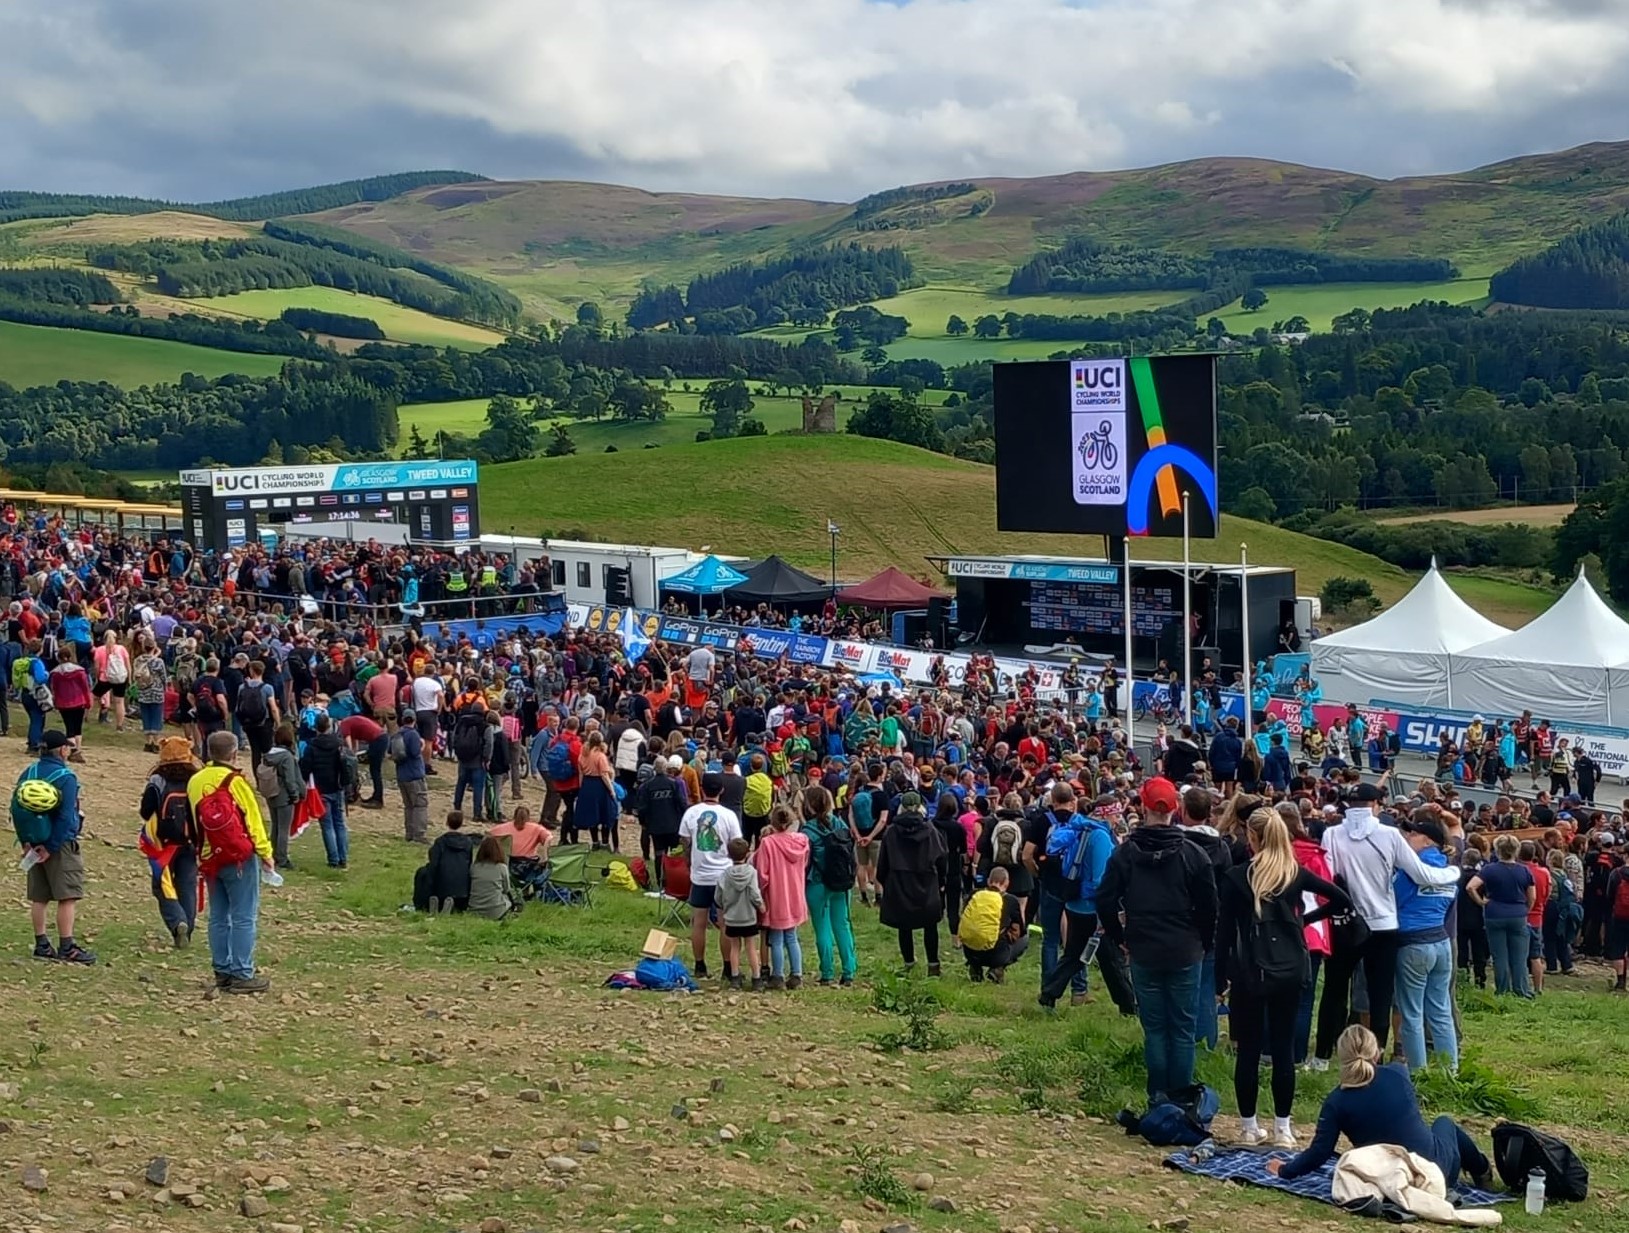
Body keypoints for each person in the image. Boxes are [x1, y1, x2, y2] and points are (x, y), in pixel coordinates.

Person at [1218, 808, 1348, 1148]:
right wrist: (1302, 920)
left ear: (1252, 837)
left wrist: (1219, 978)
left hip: (1249, 970)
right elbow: (1340, 899)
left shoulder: (1236, 877)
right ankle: (1283, 1129)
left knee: (1248, 1050)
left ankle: (1249, 1127)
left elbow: (1224, 933)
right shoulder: (1295, 874)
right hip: (1289, 967)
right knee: (1283, 1047)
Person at [1311, 782, 1462, 1069]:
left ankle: (1322, 1057)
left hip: (1345, 921)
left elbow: (1328, 875)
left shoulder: (1332, 833)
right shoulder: (1390, 834)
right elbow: (1421, 874)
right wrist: (1452, 873)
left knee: (1334, 991)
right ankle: (1376, 1058)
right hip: (1383, 924)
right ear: (1375, 805)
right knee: (1381, 995)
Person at [1096, 776, 1217, 1105]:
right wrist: (1204, 941)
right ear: (1175, 809)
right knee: (1182, 1029)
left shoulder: (1125, 854)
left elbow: (1104, 900)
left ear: (1143, 807)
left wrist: (1120, 937)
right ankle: (1181, 1102)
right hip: (1185, 949)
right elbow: (1210, 907)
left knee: (1155, 1029)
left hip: (1143, 948)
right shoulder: (1193, 855)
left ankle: (1158, 1099)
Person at [1268, 1025, 1493, 1194]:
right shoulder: (1398, 1073)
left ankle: (1481, 1170)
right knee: (1444, 1122)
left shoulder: (1336, 1101)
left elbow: (1320, 1152)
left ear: (1342, 1060)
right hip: (1436, 1172)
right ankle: (1482, 1169)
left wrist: (1285, 1170)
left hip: (1389, 1179)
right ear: (1376, 1053)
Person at [188, 729, 275, 993]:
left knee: (218, 915)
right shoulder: (236, 782)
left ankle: (222, 970)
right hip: (238, 857)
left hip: (209, 856)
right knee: (243, 916)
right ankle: (242, 972)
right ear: (234, 753)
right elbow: (253, 821)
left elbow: (192, 821)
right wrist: (266, 853)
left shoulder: (195, 780)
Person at [1037, 791, 1128, 1010]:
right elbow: (1100, 879)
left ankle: (1049, 993)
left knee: (1074, 955)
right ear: (1106, 814)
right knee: (1111, 959)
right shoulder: (1101, 837)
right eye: (1116, 815)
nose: (1118, 820)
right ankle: (1129, 1005)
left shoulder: (1080, 828)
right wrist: (1107, 909)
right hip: (1093, 908)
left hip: (1074, 902)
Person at [12, 731, 94, 963]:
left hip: (32, 841)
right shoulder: (66, 777)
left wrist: (26, 842)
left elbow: (16, 807)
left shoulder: (29, 772)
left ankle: (42, 944)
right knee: (67, 896)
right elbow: (66, 816)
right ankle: (67, 947)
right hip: (60, 845)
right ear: (62, 750)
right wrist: (51, 846)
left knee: (39, 897)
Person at [1392, 814, 1459, 1074]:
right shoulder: (1448, 872)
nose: (1408, 837)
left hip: (1413, 943)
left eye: (1413, 833)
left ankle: (1418, 1073)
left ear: (1428, 841)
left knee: (1411, 1012)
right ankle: (1450, 1071)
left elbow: (1393, 900)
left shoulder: (1411, 871)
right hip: (1441, 941)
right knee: (1441, 1010)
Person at [138, 736, 202, 949]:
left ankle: (177, 921)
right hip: (191, 840)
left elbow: (146, 811)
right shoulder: (196, 778)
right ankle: (187, 928)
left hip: (163, 843)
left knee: (161, 885)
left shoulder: (158, 780)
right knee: (187, 885)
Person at [679, 772, 743, 979]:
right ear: (721, 790)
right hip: (722, 874)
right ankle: (727, 967)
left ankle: (700, 965)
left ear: (702, 789)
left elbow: (685, 841)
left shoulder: (691, 813)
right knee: (724, 923)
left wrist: (690, 861)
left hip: (700, 875)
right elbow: (736, 844)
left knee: (699, 922)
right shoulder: (729, 815)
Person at [877, 790, 948, 974]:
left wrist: (885, 882)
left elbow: (882, 863)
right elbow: (941, 858)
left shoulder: (891, 832)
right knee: (930, 926)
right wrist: (941, 881)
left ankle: (909, 963)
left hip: (900, 884)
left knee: (904, 926)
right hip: (927, 883)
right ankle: (933, 965)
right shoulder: (931, 831)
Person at [1465, 834, 1536, 997]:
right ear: (1516, 850)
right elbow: (1532, 896)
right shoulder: (1524, 870)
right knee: (1519, 956)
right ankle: (1521, 990)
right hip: (1518, 914)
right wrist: (1526, 909)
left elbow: (1470, 887)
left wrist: (1481, 902)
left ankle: (1502, 990)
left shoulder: (1489, 869)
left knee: (1499, 956)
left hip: (1494, 914)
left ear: (1498, 850)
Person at [803, 784, 858, 987]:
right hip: (841, 882)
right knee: (842, 925)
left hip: (817, 883)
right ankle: (849, 970)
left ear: (809, 805)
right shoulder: (840, 824)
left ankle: (827, 972)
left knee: (822, 929)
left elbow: (805, 862)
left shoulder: (807, 831)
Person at [754, 805, 810, 990]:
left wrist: (761, 892)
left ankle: (777, 976)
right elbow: (804, 863)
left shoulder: (768, 843)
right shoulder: (802, 841)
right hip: (795, 893)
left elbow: (762, 874)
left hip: (776, 895)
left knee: (776, 938)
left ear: (773, 822)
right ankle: (797, 975)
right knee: (792, 936)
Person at [299, 713, 350, 869]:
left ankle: (333, 858)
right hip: (337, 786)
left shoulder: (311, 747)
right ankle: (343, 857)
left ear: (316, 728)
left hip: (320, 790)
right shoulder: (338, 744)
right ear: (329, 726)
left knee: (327, 825)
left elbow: (305, 769)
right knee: (339, 823)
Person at [961, 866, 1029, 983]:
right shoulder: (1010, 900)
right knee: (1025, 938)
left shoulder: (974, 895)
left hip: (970, 952)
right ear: (1007, 883)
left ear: (988, 881)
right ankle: (997, 968)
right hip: (996, 955)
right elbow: (1020, 929)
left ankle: (975, 967)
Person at [716, 837, 766, 990]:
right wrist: (761, 905)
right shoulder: (751, 872)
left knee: (734, 947)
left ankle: (735, 977)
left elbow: (718, 896)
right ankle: (756, 978)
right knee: (751, 947)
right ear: (747, 853)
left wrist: (723, 906)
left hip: (731, 917)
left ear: (729, 855)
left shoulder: (725, 875)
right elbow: (754, 893)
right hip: (748, 916)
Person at [261, 722, 303, 870]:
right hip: (284, 796)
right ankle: (282, 858)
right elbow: (290, 779)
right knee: (284, 829)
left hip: (271, 793)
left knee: (275, 826)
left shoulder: (269, 754)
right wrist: (295, 794)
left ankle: (272, 854)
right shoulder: (287, 756)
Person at [424, 811, 478, 914]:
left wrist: (429, 885)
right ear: (461, 823)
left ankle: (437, 906)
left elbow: (434, 864)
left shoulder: (440, 842)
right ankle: (451, 906)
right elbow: (469, 863)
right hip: (462, 889)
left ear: (447, 822)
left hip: (442, 887)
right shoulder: (468, 842)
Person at [389, 708, 430, 844]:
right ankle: (419, 834)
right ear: (414, 720)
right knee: (420, 805)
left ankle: (409, 833)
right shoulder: (413, 734)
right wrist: (422, 745)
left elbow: (390, 752)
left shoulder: (396, 735)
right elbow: (415, 752)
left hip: (402, 775)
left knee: (408, 806)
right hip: (414, 775)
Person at [575, 730, 619, 850]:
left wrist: (581, 787)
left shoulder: (583, 754)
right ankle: (605, 842)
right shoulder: (600, 756)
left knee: (592, 814)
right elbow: (604, 775)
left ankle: (595, 841)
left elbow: (580, 773)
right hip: (599, 785)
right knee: (605, 813)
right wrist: (612, 790)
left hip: (587, 784)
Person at [48, 646, 92, 763]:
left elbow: (55, 689)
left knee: (69, 728)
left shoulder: (55, 673)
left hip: (63, 703)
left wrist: (56, 702)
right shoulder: (79, 671)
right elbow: (85, 687)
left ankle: (72, 749)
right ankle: (77, 751)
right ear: (70, 657)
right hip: (79, 701)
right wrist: (88, 702)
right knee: (78, 727)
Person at [468, 835, 518, 920]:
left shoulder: (474, 867)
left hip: (474, 910)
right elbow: (506, 889)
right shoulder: (502, 867)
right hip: (496, 911)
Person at [92, 628, 131, 732]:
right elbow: (127, 665)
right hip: (119, 678)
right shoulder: (121, 649)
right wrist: (129, 678)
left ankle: (84, 717)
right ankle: (119, 725)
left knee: (93, 696)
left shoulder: (99, 650)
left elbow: (96, 666)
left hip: (104, 678)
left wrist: (97, 677)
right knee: (119, 702)